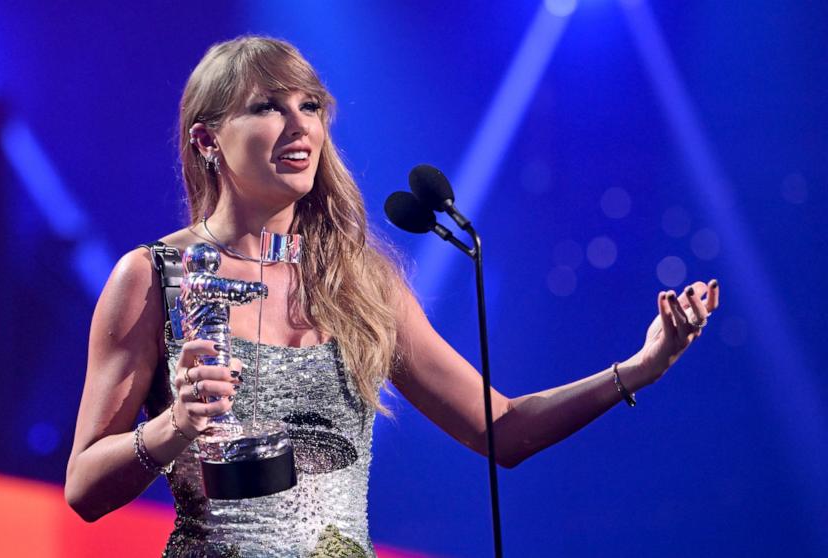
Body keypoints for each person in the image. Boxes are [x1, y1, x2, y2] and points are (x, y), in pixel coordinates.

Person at [65, 36, 720, 557]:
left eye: (310, 106)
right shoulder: (154, 276)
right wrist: (172, 428)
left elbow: (504, 431)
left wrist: (640, 368)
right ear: (207, 140)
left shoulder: (362, 284)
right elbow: (85, 490)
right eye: (267, 107)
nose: (299, 126)